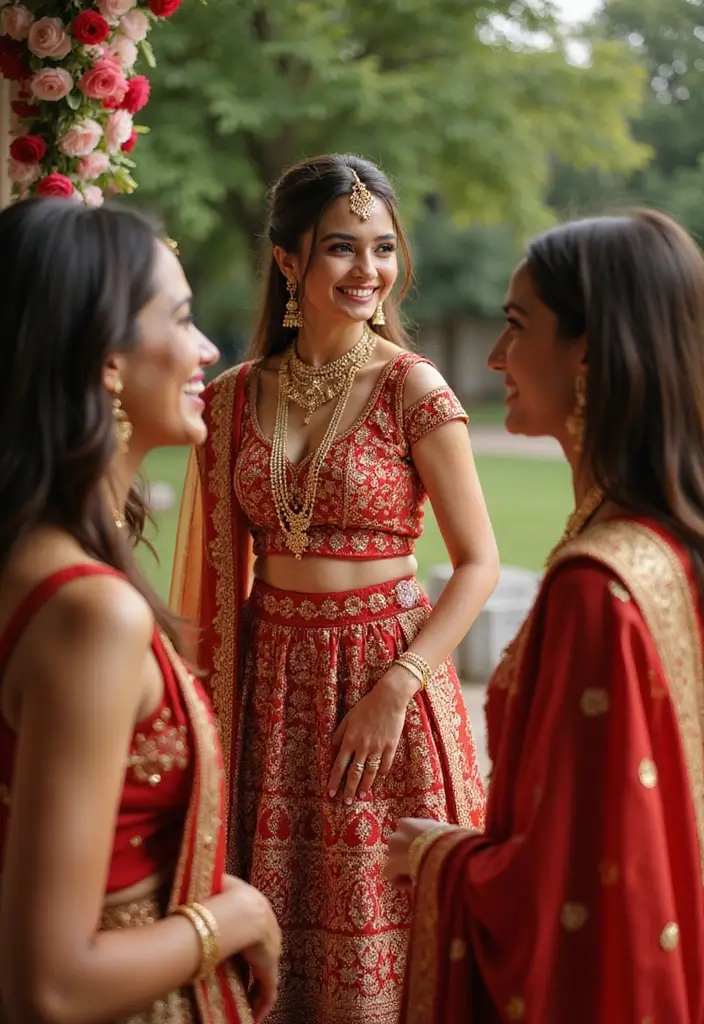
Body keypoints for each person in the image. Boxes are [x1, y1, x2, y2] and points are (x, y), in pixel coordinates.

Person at [170, 153, 498, 1023]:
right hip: (270, 689)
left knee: (381, 938)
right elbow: (216, 581)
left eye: (383, 248)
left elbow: (479, 563)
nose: (369, 270)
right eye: (342, 247)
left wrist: (397, 687)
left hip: (388, 686)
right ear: (288, 260)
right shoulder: (232, 400)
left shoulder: (411, 386)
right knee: (276, 937)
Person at [385, 209, 704, 1023]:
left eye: (518, 325)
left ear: (587, 354)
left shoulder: (598, 586)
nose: (496, 356)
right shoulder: (667, 549)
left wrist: (439, 855)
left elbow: (580, 891)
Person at [0, 198, 282, 1024]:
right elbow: (49, 986)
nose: (208, 350)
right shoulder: (90, 614)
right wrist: (232, 918)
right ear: (108, 360)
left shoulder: (30, 558)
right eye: (183, 319)